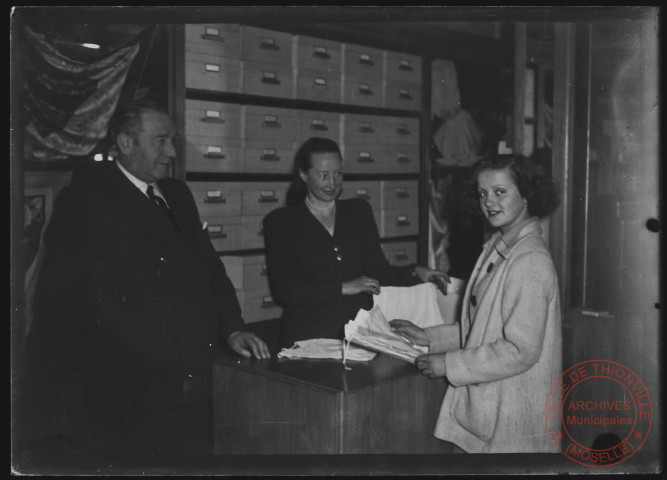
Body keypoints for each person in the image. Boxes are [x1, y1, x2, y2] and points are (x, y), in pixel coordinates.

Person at [25, 102, 270, 456]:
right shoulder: (86, 201)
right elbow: (71, 302)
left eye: (172, 141)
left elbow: (210, 271)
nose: (171, 152)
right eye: (160, 141)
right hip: (130, 390)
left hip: (192, 377)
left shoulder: (178, 195)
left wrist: (232, 327)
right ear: (126, 144)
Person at [390, 153, 562, 453]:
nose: (489, 202)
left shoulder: (530, 260)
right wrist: (429, 337)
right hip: (492, 405)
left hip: (512, 413)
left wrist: (448, 363)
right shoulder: (500, 244)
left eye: (500, 191)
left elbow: (519, 351)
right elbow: (484, 327)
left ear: (526, 195)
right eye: (483, 193)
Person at [263, 137, 449, 348]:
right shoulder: (281, 222)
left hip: (360, 335)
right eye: (323, 175)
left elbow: (379, 271)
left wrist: (417, 272)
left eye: (338, 174)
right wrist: (344, 287)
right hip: (308, 338)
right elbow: (287, 291)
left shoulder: (358, 212)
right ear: (303, 174)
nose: (332, 183)